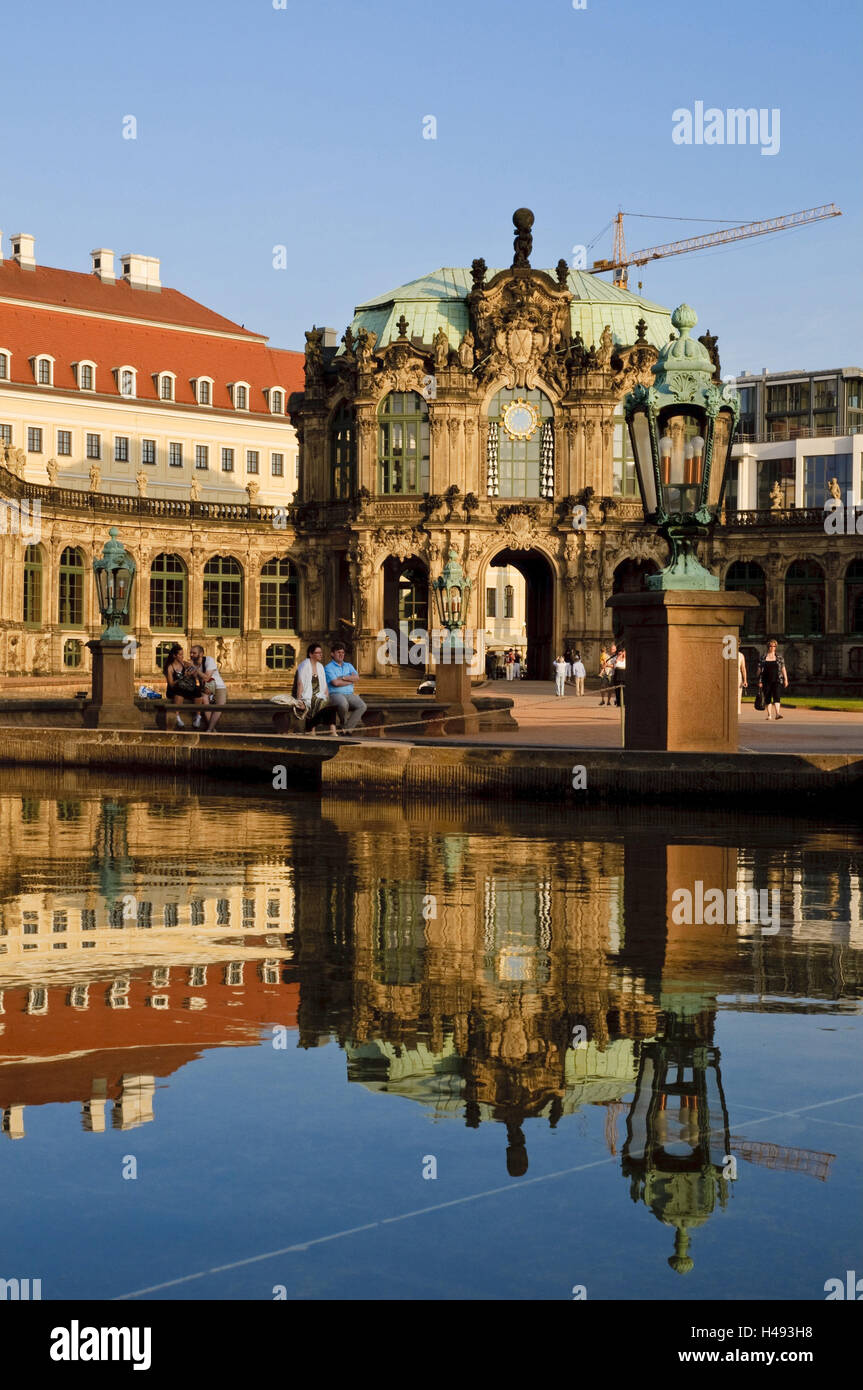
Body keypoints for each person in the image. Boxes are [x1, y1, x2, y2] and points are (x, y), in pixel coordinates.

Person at [293, 642, 338, 735]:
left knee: (330, 704)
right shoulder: (304, 665)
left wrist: (326, 695)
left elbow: (324, 685)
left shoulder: (320, 666)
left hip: (319, 694)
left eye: (321, 652)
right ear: (311, 654)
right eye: (318, 653)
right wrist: (299, 700)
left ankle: (329, 729)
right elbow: (300, 683)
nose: (321, 654)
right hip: (306, 694)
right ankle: (313, 729)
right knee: (318, 702)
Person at [324, 641, 367, 734]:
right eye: (338, 652)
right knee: (343, 704)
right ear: (332, 654)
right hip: (335, 694)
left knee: (362, 706)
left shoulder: (349, 665)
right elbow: (335, 683)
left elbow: (357, 678)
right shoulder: (328, 667)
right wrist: (350, 680)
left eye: (343, 652)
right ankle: (344, 724)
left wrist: (343, 678)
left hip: (349, 694)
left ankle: (346, 728)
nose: (341, 655)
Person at [163, 642, 205, 729]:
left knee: (197, 691)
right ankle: (177, 716)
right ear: (175, 656)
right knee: (179, 691)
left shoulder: (185, 664)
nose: (182, 657)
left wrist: (192, 673)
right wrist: (183, 677)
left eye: (182, 654)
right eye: (180, 655)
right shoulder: (170, 667)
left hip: (186, 687)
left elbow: (195, 676)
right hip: (174, 689)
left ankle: (198, 716)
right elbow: (171, 684)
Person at [189, 644, 226, 732]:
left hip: (218, 686)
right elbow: (196, 680)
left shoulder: (209, 660)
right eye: (190, 653)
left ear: (201, 654)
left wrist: (195, 669)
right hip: (206, 687)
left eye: (194, 653)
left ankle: (210, 729)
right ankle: (212, 730)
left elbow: (207, 677)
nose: (191, 655)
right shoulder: (194, 664)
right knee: (204, 700)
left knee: (220, 705)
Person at [758, 639, 788, 721]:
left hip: (777, 680)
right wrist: (760, 681)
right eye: (771, 646)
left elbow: (783, 669)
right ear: (768, 647)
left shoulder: (779, 658)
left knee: (777, 696)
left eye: (774, 646)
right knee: (767, 697)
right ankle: (769, 715)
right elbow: (760, 671)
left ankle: (777, 713)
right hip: (766, 681)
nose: (772, 647)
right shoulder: (763, 658)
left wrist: (786, 679)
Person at [612, 643, 626, 708]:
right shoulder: (615, 658)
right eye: (619, 652)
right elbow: (614, 666)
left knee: (625, 690)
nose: (621, 654)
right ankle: (618, 702)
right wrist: (618, 658)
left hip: (624, 675)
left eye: (622, 652)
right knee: (617, 690)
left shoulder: (626, 659)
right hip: (617, 675)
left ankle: (624, 702)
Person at [737, 648, 748, 716]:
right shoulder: (727, 654)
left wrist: (745, 680)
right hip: (728, 675)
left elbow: (743, 668)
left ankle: (737, 710)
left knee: (738, 694)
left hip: (738, 676)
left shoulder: (740, 655)